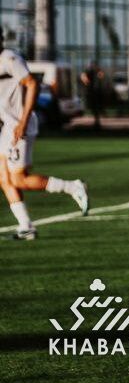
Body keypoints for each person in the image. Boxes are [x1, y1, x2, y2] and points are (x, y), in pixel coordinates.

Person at [0, 35, 89, 240]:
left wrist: (22, 122)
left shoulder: (9, 58)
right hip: (7, 127)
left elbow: (32, 84)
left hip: (19, 125)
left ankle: (73, 186)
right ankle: (26, 227)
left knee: (19, 179)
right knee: (4, 179)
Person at [79, 60, 105, 130]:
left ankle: (97, 121)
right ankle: (96, 121)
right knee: (93, 106)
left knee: (96, 107)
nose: (94, 66)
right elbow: (83, 77)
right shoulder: (87, 71)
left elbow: (101, 76)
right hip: (91, 91)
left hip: (96, 92)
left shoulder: (96, 71)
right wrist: (88, 83)